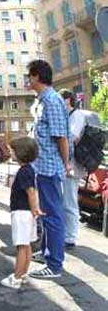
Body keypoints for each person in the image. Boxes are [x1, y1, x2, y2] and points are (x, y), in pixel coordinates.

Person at [27, 60, 70, 279]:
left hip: (50, 168)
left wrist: (66, 165)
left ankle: (54, 265)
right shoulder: (42, 101)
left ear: (36, 76)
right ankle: (46, 254)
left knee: (53, 216)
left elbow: (61, 137)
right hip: (42, 167)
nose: (28, 79)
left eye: (29, 75)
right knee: (46, 214)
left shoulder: (52, 101)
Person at [1, 136, 44, 289]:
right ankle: (23, 274)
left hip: (21, 213)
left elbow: (30, 191)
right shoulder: (29, 170)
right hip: (27, 213)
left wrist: (34, 208)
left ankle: (17, 277)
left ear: (21, 153)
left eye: (12, 151)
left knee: (21, 246)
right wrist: (34, 210)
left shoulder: (24, 172)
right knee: (27, 245)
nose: (11, 153)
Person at [59, 89, 85, 249]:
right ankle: (66, 233)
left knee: (70, 202)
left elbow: (73, 137)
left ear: (68, 100)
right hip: (65, 164)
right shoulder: (67, 116)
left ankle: (71, 237)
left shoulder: (77, 115)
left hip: (72, 166)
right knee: (64, 201)